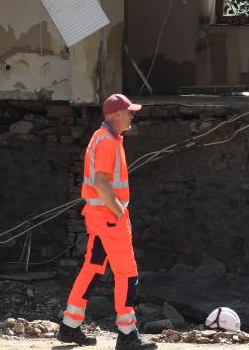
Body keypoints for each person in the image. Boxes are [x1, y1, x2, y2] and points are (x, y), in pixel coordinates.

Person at [58, 94, 156, 350]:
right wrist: (119, 212)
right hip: (110, 217)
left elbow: (100, 182)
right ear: (115, 115)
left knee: (92, 268)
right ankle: (127, 335)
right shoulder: (108, 143)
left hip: (99, 216)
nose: (132, 115)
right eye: (129, 112)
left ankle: (70, 326)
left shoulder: (103, 138)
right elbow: (102, 183)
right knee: (127, 273)